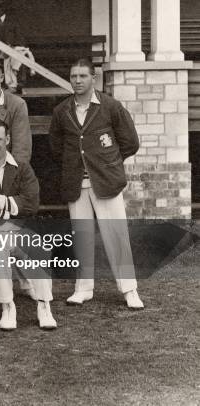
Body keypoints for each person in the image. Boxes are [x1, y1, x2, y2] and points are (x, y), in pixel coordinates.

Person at [49, 58, 144, 309]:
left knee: (116, 234)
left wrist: (109, 162)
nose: (77, 81)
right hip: (76, 184)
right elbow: (56, 147)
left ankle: (129, 289)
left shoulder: (110, 106)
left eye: (82, 76)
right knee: (81, 235)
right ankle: (84, 288)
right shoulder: (62, 111)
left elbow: (131, 142)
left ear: (94, 78)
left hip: (106, 182)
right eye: (73, 76)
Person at [0, 118, 57, 337]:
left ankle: (44, 305)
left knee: (37, 244)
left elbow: (31, 203)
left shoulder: (22, 169)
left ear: (7, 139)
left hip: (16, 228)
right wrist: (11, 204)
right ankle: (7, 306)